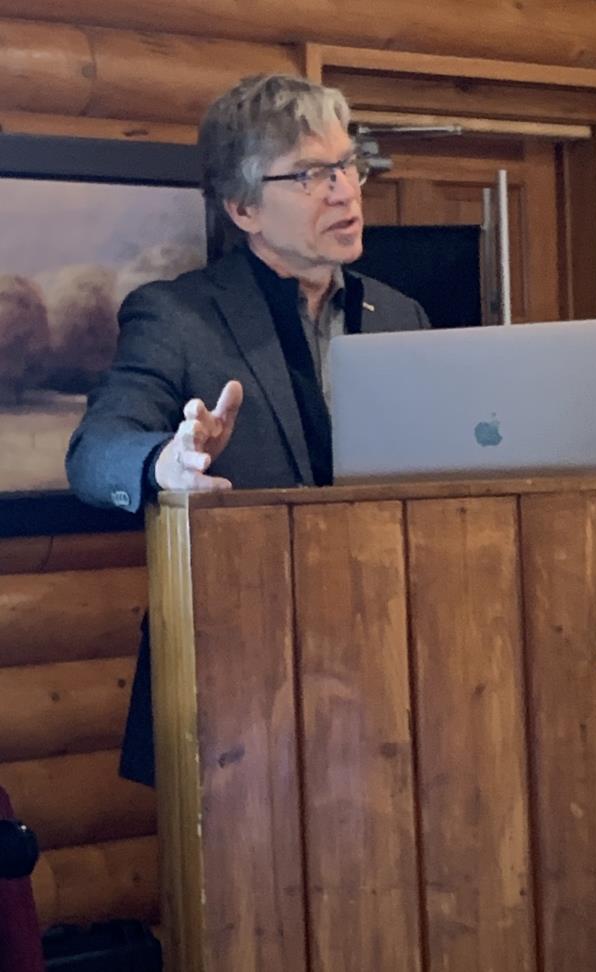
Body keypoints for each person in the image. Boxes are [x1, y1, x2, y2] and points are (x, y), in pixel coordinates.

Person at [66, 74, 429, 787]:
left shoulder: (402, 316)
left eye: (347, 165)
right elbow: (93, 451)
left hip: (385, 668)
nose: (344, 192)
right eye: (311, 175)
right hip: (235, 686)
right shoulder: (177, 316)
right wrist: (166, 464)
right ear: (243, 208)